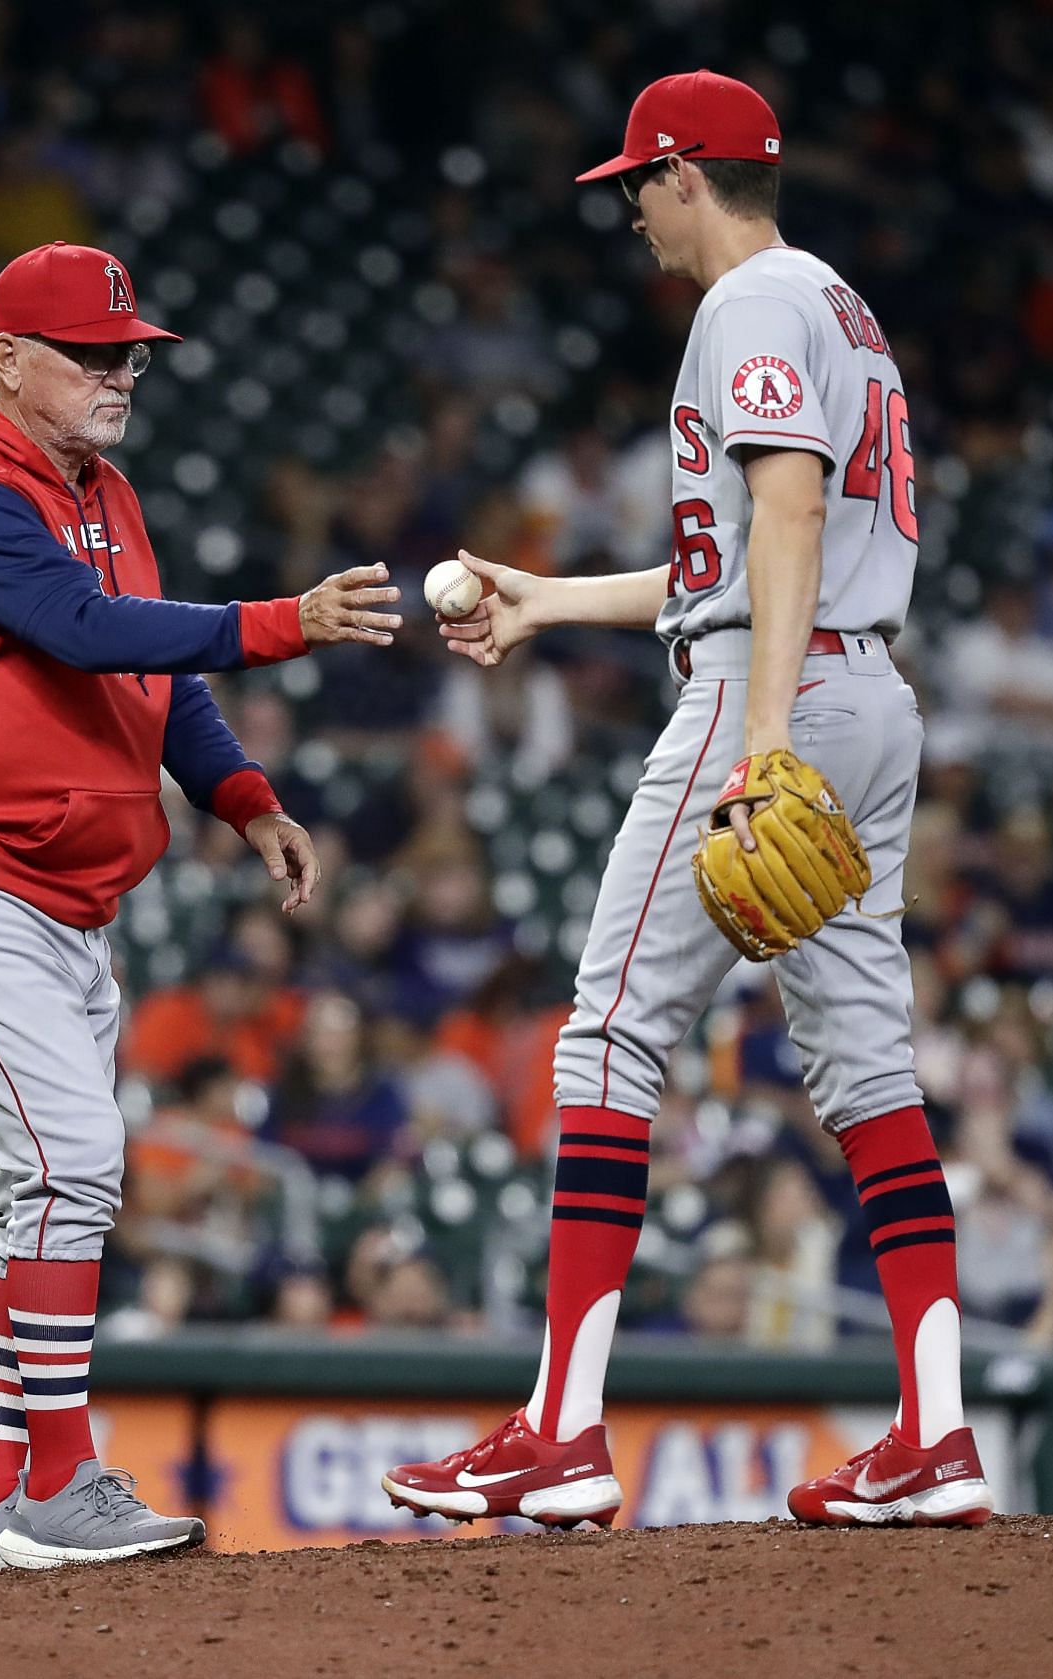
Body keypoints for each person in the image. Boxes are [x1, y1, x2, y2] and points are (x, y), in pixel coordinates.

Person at [383, 73, 993, 1531]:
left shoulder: (752, 306)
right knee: (866, 1070)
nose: (629, 212)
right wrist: (547, 603)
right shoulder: (836, 304)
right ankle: (939, 1432)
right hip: (869, 694)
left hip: (771, 702)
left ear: (685, 175)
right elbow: (742, 555)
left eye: (634, 186)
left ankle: (564, 1427)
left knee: (606, 1034)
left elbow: (784, 509)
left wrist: (763, 735)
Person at [0, 240, 400, 1573]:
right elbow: (91, 632)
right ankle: (57, 1480)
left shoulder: (103, 487)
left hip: (66, 897)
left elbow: (155, 674)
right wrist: (283, 621)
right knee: (72, 1168)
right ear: (7, 360)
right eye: (89, 353)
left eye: (127, 353)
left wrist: (244, 798)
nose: (118, 374)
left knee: (49, 1189)